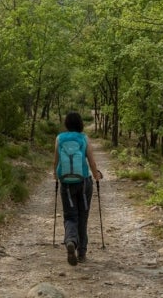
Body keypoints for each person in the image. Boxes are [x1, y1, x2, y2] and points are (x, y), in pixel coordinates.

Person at [53, 111, 102, 265]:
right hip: (83, 183)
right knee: (83, 217)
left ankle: (71, 241)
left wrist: (56, 175)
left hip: (66, 183)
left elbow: (56, 161)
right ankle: (81, 253)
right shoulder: (84, 138)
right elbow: (92, 162)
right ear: (80, 123)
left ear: (66, 124)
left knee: (70, 216)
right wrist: (96, 175)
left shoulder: (59, 138)